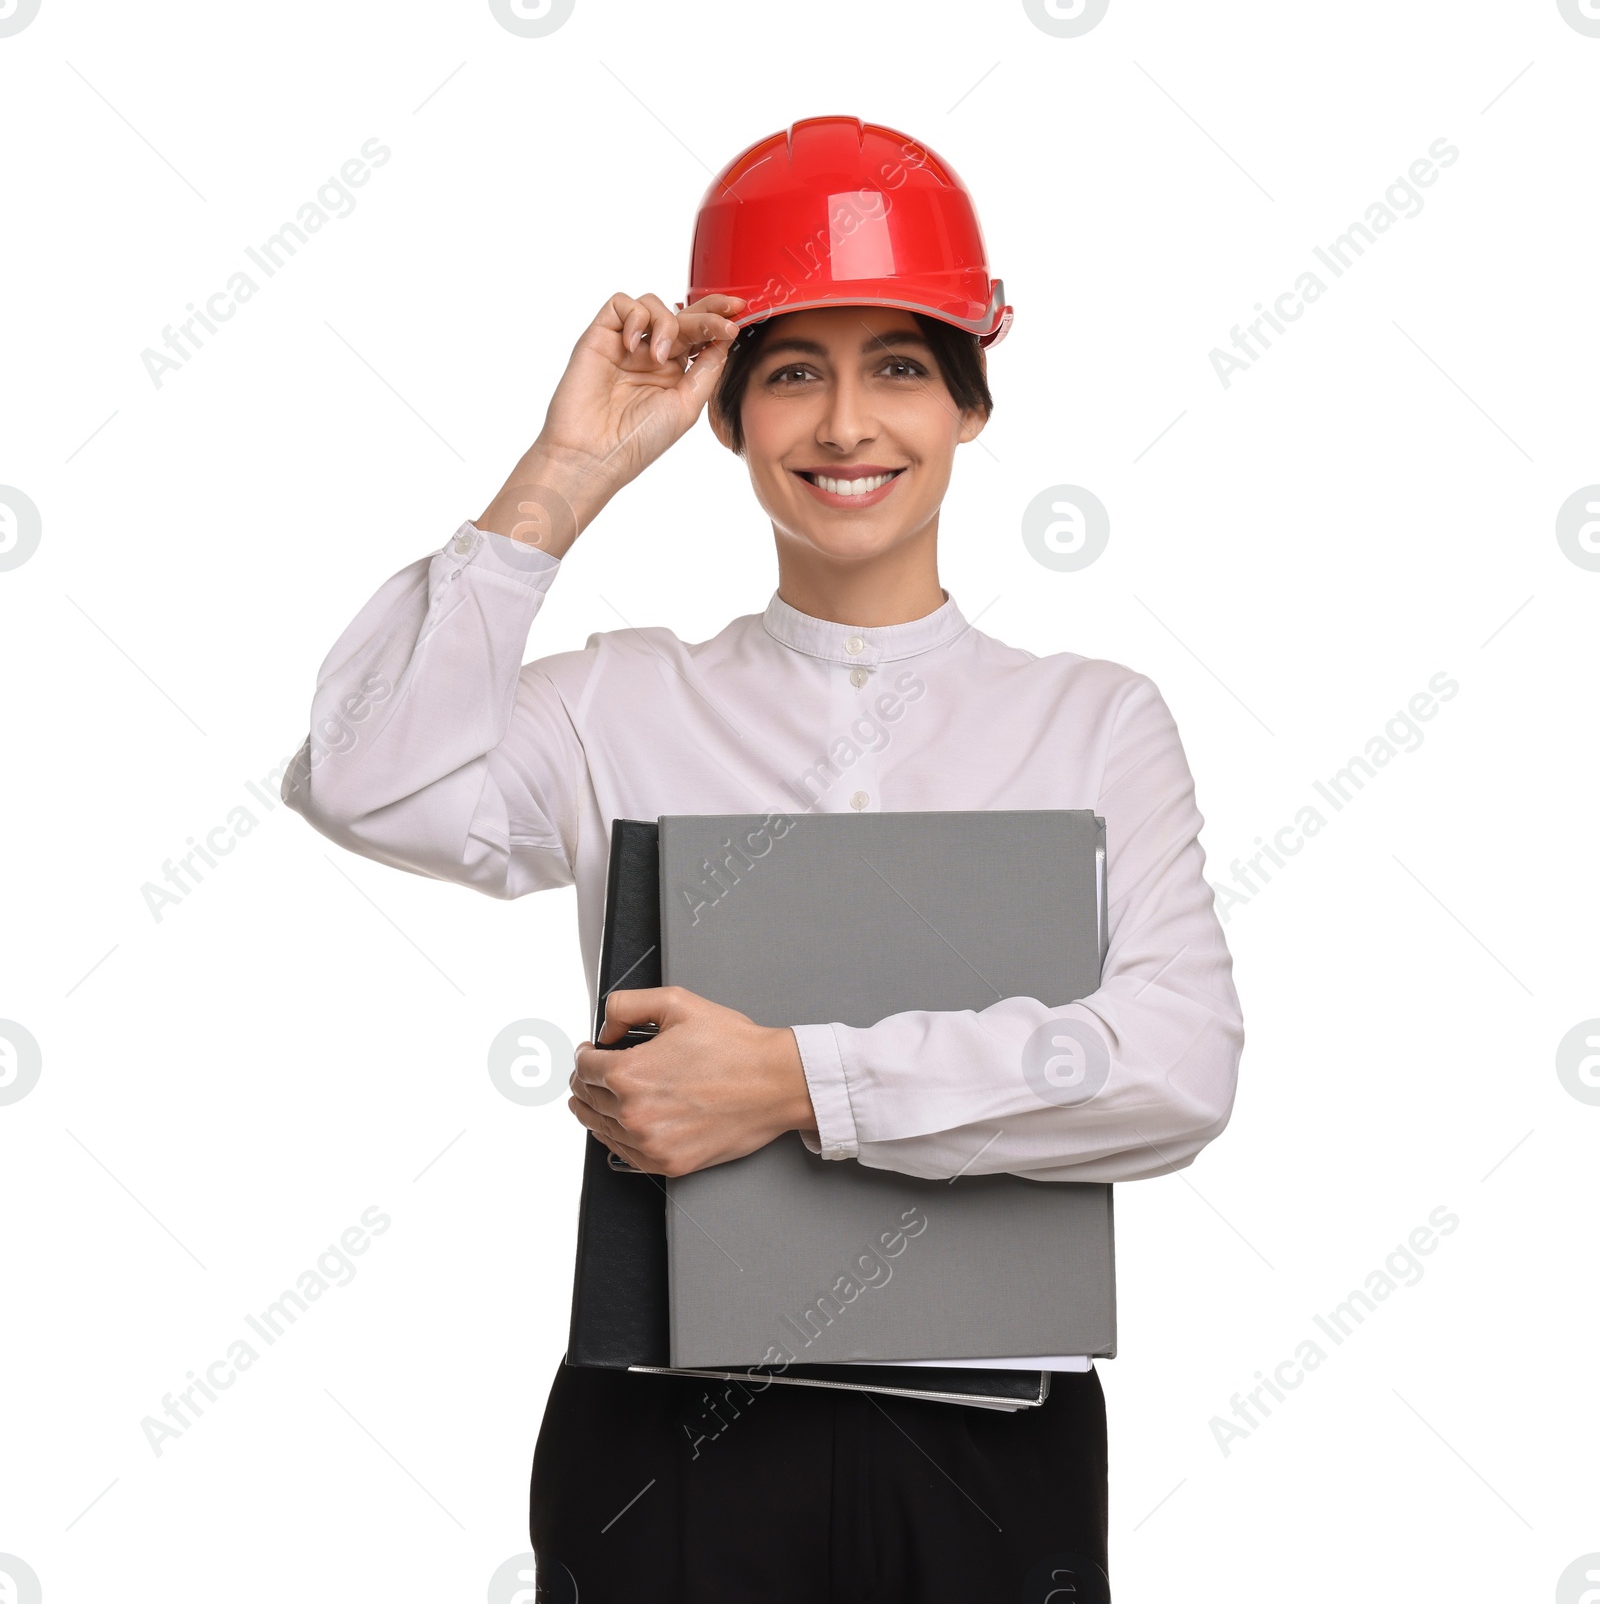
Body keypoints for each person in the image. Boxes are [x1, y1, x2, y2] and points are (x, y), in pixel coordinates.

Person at [283, 116, 1243, 1603]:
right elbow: (360, 779)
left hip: (991, 1458)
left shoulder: (1094, 723)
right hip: (666, 1446)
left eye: (900, 366)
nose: (846, 424)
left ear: (973, 402)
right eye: (794, 370)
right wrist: (563, 474)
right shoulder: (615, 701)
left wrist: (798, 1084)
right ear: (726, 411)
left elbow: (1174, 1072)